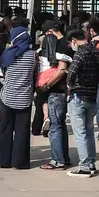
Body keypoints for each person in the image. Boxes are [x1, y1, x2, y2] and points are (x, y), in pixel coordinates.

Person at [0, 24, 35, 170]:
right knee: (22, 131)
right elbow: (33, 74)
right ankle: (20, 162)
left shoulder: (8, 54)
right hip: (24, 98)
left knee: (5, 128)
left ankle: (2, 160)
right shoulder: (32, 55)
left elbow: (2, 72)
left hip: (7, 96)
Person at [65, 28, 99, 177]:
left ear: (74, 40)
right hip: (93, 96)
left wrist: (71, 85)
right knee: (89, 131)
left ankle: (84, 166)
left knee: (80, 133)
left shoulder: (80, 54)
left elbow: (71, 73)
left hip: (78, 96)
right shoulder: (97, 52)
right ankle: (91, 163)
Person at [38, 22, 73, 170]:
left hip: (57, 91)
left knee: (55, 126)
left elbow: (61, 70)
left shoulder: (60, 46)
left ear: (50, 32)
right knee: (60, 125)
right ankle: (64, 158)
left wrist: (47, 85)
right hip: (62, 91)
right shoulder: (66, 43)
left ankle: (57, 160)